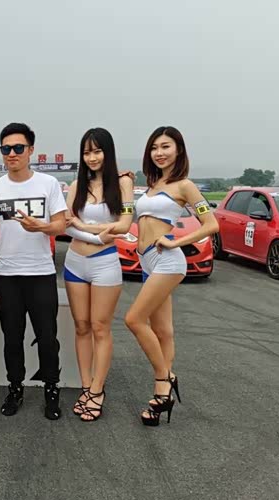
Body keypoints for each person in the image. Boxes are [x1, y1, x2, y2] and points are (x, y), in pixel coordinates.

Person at [124, 126, 218, 426]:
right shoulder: (153, 184)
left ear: (179, 150)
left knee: (133, 320)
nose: (159, 153)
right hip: (146, 260)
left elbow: (211, 224)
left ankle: (164, 379)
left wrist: (176, 242)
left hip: (167, 261)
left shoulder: (185, 186)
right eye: (154, 147)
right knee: (162, 331)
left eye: (166, 146)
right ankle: (160, 396)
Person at [0, 123, 67, 420]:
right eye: (6, 149)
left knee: (47, 337)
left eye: (18, 148)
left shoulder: (48, 184)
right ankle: (15, 388)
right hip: (7, 276)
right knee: (12, 338)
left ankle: (51, 389)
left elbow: (61, 224)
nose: (12, 153)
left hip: (41, 273)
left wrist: (42, 226)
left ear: (31, 150)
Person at [63, 128, 134, 421]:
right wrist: (98, 234)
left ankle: (97, 390)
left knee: (100, 327)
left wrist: (85, 227)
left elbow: (125, 225)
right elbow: (67, 225)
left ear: (108, 151)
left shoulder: (123, 182)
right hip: (74, 262)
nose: (92, 158)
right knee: (81, 326)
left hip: (105, 263)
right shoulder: (75, 185)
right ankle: (85, 386)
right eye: (86, 152)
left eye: (97, 151)